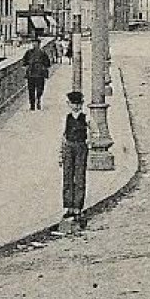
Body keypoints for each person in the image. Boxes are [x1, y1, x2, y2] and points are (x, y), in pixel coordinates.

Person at [59, 90, 89, 232]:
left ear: (82, 104)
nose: (76, 106)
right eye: (73, 104)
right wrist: (60, 154)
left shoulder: (86, 118)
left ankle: (77, 207)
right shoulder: (66, 118)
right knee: (67, 176)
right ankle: (68, 206)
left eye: (78, 104)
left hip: (81, 146)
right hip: (69, 147)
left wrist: (89, 142)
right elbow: (63, 136)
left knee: (80, 176)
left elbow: (94, 131)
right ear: (69, 104)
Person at [23, 37, 52, 110]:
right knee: (31, 90)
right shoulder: (28, 52)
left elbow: (47, 63)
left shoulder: (42, 53)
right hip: (31, 74)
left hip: (40, 74)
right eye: (33, 43)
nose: (34, 44)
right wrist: (27, 66)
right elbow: (24, 61)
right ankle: (32, 104)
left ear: (39, 44)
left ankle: (38, 99)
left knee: (40, 89)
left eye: (36, 43)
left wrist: (43, 67)